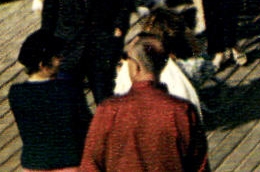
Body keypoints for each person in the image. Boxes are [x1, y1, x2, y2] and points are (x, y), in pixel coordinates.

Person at [78, 34, 210, 172]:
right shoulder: (181, 111)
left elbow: (90, 164)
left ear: (135, 66)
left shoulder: (109, 110)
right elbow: (200, 166)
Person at [7, 30, 92, 172]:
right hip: (70, 164)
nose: (61, 59)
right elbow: (86, 126)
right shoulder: (68, 89)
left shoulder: (16, 93)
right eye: (57, 56)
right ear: (43, 65)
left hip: (34, 164)